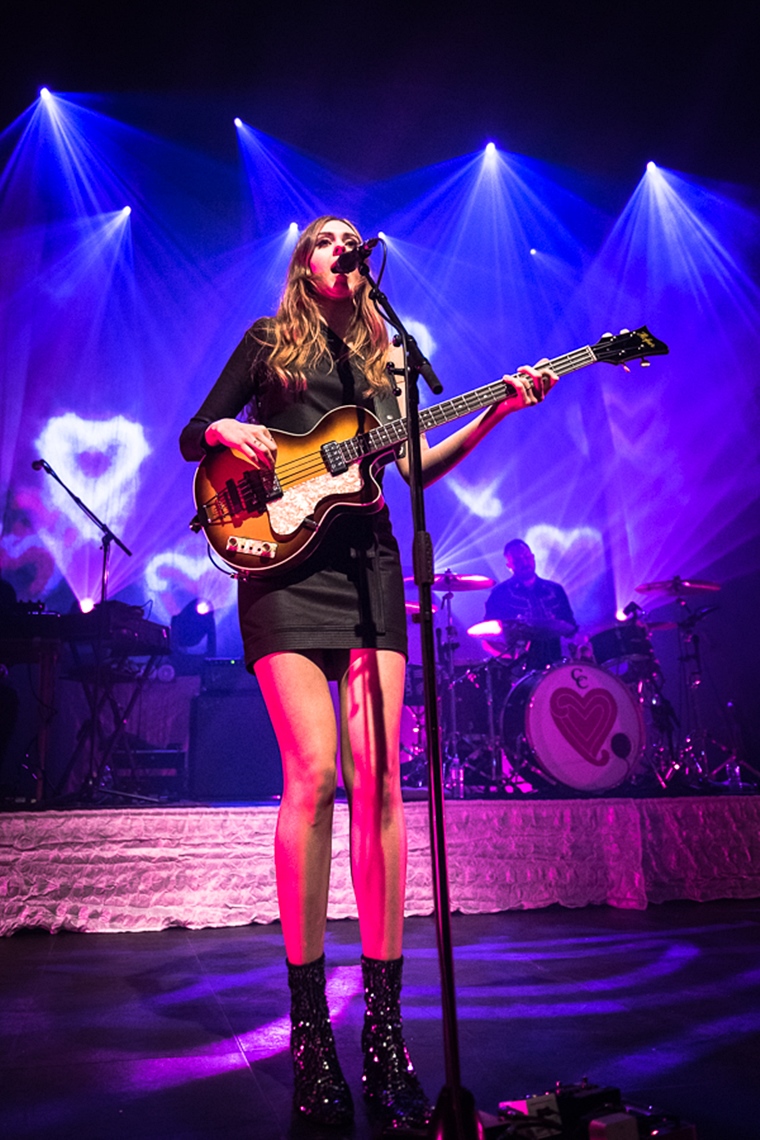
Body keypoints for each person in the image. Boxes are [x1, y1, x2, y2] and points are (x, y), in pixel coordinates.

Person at [179, 216, 559, 1129]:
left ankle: (385, 1038)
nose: (342, 248)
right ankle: (312, 1037)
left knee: (382, 783)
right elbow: (197, 435)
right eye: (325, 239)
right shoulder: (270, 341)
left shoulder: (390, 363)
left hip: (372, 567)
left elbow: (413, 464)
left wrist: (497, 411)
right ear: (305, 261)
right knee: (311, 779)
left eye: (352, 238)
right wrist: (232, 427)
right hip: (279, 568)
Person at [482, 538, 578, 671]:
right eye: (518, 560)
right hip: (519, 671)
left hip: (557, 665)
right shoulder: (500, 594)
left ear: (533, 557)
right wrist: (512, 658)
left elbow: (571, 627)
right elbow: (489, 636)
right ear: (509, 565)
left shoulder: (555, 590)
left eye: (527, 557)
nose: (525, 562)